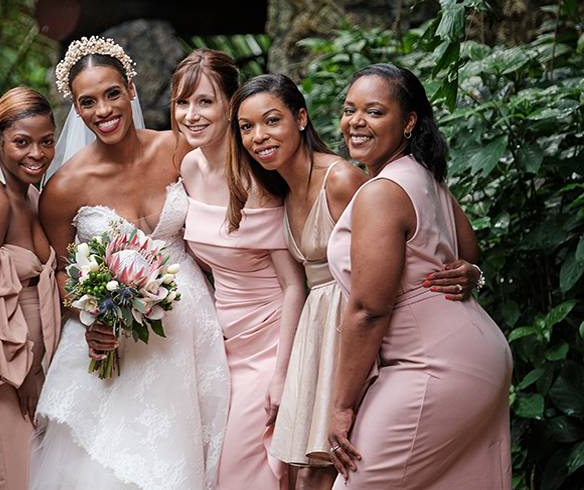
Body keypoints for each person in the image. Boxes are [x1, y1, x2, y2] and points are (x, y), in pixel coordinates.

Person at [227, 73, 483, 490]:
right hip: (319, 327)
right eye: (246, 126)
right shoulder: (280, 189)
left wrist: (467, 270)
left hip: (353, 328)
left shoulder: (344, 179)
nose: (259, 136)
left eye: (271, 121)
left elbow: (402, 246)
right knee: (307, 472)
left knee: (330, 469)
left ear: (302, 119)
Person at [31, 36, 229, 490]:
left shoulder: (178, 149)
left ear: (131, 91)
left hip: (191, 328)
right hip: (114, 340)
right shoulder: (63, 188)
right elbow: (64, 271)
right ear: (76, 110)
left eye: (112, 93)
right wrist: (90, 314)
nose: (103, 110)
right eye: (88, 101)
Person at [325, 63, 512, 489]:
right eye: (349, 109)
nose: (355, 122)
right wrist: (472, 274)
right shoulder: (424, 177)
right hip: (476, 354)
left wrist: (341, 405)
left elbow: (370, 310)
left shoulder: (381, 192)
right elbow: (468, 252)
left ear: (408, 121)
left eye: (374, 112)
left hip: (433, 368)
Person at [174, 49, 304, 490]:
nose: (191, 115)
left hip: (270, 342)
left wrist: (283, 375)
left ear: (231, 105)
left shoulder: (257, 177)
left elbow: (293, 285)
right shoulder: (189, 167)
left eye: (205, 102)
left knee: (240, 470)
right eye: (182, 102)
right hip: (221, 341)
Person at [0, 87, 61, 489]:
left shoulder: (34, 195)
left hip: (36, 363)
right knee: (11, 474)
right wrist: (24, 377)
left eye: (46, 142)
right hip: (3, 373)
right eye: (22, 142)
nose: (35, 153)